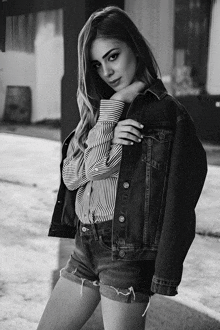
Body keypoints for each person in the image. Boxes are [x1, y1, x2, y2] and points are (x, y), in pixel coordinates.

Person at [37, 6, 207, 330]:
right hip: (84, 246)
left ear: (135, 47)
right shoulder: (97, 112)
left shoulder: (167, 116)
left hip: (125, 258)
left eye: (112, 57)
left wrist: (165, 272)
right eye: (97, 65)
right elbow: (71, 176)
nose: (107, 72)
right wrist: (111, 115)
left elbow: (182, 199)